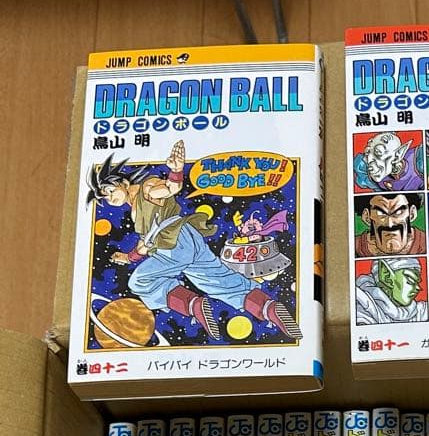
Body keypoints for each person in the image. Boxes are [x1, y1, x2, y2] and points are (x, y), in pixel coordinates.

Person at [86, 142, 298, 339]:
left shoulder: (146, 188)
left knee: (140, 281)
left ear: (123, 182)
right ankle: (269, 308)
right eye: (105, 198)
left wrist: (176, 171)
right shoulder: (135, 207)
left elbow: (170, 188)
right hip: (188, 238)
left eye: (110, 191)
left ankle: (192, 305)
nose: (110, 198)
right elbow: (145, 244)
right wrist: (128, 258)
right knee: (220, 281)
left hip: (174, 245)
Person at [354, 257, 426, 324]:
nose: (418, 288)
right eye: (411, 281)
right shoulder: (361, 310)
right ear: (387, 277)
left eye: (417, 282)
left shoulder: (420, 311)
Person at [354, 193, 426, 256]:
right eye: (380, 213)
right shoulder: (354, 247)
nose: (390, 224)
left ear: (412, 214)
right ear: (367, 217)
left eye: (398, 212)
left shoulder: (426, 243)